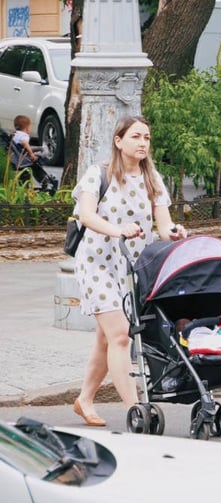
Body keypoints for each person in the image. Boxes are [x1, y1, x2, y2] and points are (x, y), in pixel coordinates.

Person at [71, 115, 187, 427]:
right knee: (121, 335)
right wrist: (117, 229)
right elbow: (86, 215)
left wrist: (175, 231)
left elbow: (163, 227)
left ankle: (84, 399)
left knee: (106, 339)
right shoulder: (98, 174)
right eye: (136, 137)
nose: (143, 143)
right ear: (119, 141)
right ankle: (138, 407)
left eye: (147, 138)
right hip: (96, 263)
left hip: (131, 269)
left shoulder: (153, 180)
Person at [9, 114, 43, 182]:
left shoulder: (15, 134)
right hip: (21, 160)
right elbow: (25, 144)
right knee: (39, 159)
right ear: (27, 128)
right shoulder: (24, 136)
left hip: (14, 158)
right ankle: (43, 179)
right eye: (30, 127)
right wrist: (31, 154)